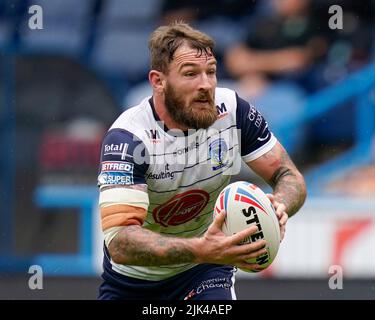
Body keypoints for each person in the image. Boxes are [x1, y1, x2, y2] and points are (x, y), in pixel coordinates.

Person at [97, 22, 306, 300]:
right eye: (191, 74)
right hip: (132, 282)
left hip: (204, 270)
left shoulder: (232, 111)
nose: (206, 85)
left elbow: (288, 176)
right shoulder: (128, 139)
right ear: (158, 81)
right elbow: (120, 243)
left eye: (211, 72)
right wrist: (201, 247)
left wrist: (279, 205)